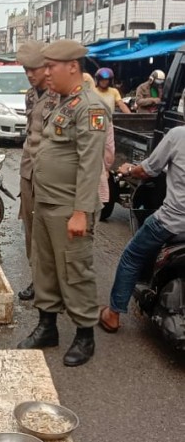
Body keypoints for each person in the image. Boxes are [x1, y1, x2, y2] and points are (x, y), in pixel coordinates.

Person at [17, 40, 108, 367]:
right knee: (45, 267)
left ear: (72, 66)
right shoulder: (62, 103)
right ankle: (47, 327)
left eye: (51, 66)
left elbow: (89, 163)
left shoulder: (90, 107)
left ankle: (85, 336)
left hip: (70, 208)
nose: (46, 73)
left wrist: (81, 212)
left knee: (75, 271)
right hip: (45, 202)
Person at [99, 126, 185, 332]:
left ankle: (112, 315)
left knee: (132, 256)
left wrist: (128, 170)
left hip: (173, 222)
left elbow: (147, 170)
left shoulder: (178, 135)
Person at [15, 41, 59, 301]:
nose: (30, 74)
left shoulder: (62, 95)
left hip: (51, 175)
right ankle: (37, 279)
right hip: (28, 171)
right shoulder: (31, 95)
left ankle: (56, 286)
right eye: (26, 69)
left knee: (53, 232)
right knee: (31, 231)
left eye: (35, 69)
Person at [93, 67, 131, 206]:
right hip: (95, 126)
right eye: (102, 80)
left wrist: (132, 118)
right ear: (97, 80)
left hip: (108, 125)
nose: (104, 82)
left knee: (108, 151)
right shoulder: (92, 91)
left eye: (107, 80)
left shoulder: (114, 92)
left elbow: (121, 105)